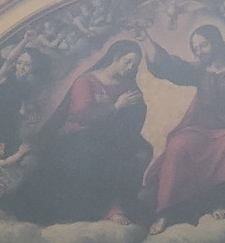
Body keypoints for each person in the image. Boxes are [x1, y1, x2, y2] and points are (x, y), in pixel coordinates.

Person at [136, 24, 225, 233]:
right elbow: (169, 67)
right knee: (178, 145)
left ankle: (224, 201)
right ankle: (167, 212)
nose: (199, 51)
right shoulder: (200, 70)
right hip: (201, 129)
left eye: (203, 45)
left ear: (217, 42)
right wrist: (145, 39)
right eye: (195, 48)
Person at [13, 39, 152, 225]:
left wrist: (128, 108)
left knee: (143, 152)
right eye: (127, 62)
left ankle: (123, 204)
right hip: (77, 136)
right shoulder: (86, 81)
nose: (130, 68)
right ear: (115, 57)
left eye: (134, 65)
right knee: (99, 151)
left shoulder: (128, 85)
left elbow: (137, 113)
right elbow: (80, 115)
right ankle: (104, 209)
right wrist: (115, 106)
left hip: (114, 135)